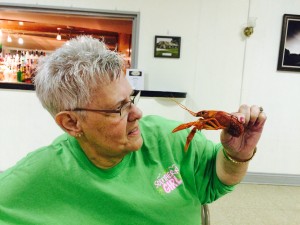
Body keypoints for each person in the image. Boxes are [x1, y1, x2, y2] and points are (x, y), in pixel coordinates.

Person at [0, 36, 267, 225]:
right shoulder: (38, 174)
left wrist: (238, 154)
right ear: (71, 123)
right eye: (119, 108)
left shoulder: (168, 136)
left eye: (132, 99)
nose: (137, 114)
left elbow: (217, 179)